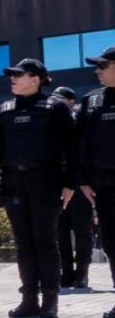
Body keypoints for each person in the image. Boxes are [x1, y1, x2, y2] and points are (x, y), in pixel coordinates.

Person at [0, 58, 76, 318]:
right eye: (12, 76)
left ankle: (50, 300)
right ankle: (29, 299)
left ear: (35, 80)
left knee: (45, 241)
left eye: (18, 75)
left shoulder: (56, 108)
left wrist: (70, 182)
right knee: (23, 242)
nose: (12, 79)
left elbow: (71, 148)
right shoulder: (3, 111)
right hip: (14, 182)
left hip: (46, 181)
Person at [76, 46, 115, 318]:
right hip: (104, 184)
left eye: (103, 66)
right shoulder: (91, 101)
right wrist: (82, 180)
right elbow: (80, 143)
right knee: (112, 243)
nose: (97, 71)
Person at [52, 86, 94, 289]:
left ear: (71, 102)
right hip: (59, 184)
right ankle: (67, 272)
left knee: (82, 231)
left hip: (80, 185)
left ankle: (82, 273)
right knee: (60, 231)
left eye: (62, 100)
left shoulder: (81, 121)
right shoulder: (53, 123)